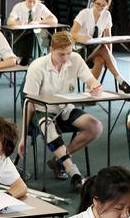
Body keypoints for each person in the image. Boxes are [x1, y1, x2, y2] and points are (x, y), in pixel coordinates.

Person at [20, 31, 102, 192]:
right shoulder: (37, 66)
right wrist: (23, 136)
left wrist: (95, 86)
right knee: (47, 125)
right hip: (42, 110)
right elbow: (29, 103)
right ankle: (75, 173)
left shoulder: (75, 59)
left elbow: (91, 80)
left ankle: (58, 159)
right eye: (61, 54)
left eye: (69, 53)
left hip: (65, 108)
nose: (66, 58)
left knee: (96, 127)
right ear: (51, 49)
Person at [70, 0, 130, 93]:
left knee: (100, 60)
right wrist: (82, 37)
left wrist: (109, 58)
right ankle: (121, 81)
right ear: (93, 1)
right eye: (98, 4)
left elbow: (108, 37)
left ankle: (90, 90)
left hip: (95, 50)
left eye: (103, 5)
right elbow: (71, 34)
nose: (100, 7)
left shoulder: (107, 15)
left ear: (107, 6)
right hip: (80, 50)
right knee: (103, 47)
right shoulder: (84, 13)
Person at [6, 0, 58, 65]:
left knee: (34, 36)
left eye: (34, 2)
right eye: (29, 1)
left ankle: (26, 58)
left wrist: (39, 22)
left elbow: (54, 20)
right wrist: (19, 23)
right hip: (21, 35)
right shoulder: (18, 6)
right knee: (31, 36)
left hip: (36, 36)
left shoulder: (40, 7)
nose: (31, 4)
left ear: (38, 1)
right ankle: (33, 59)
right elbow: (9, 21)